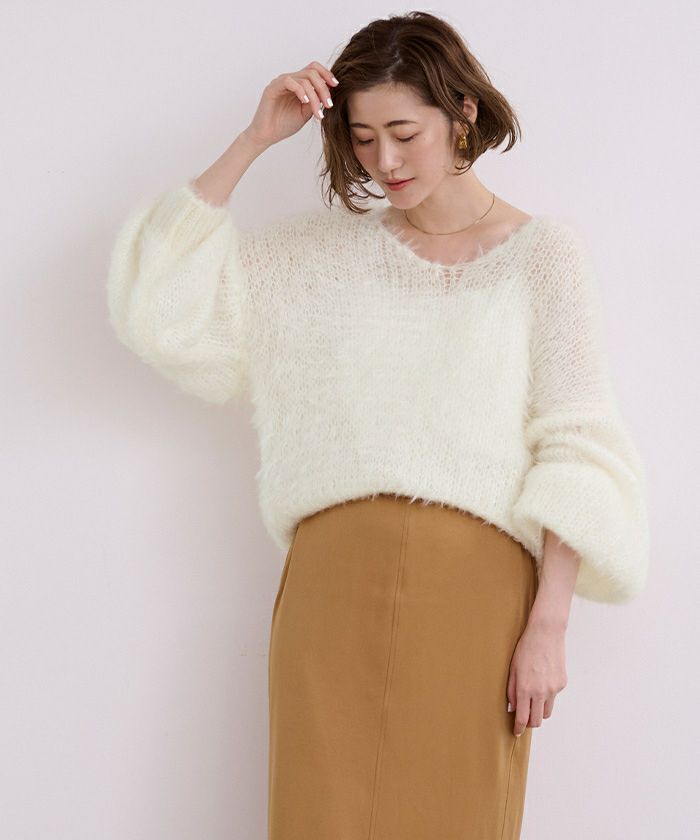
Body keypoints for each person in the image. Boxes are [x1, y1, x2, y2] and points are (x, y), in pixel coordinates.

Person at [106, 11, 650, 840]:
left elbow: (575, 439)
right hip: (330, 591)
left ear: (462, 113)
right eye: (363, 139)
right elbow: (159, 311)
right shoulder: (313, 259)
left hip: (477, 597)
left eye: (404, 134)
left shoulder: (543, 256)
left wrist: (550, 623)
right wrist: (253, 141)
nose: (384, 162)